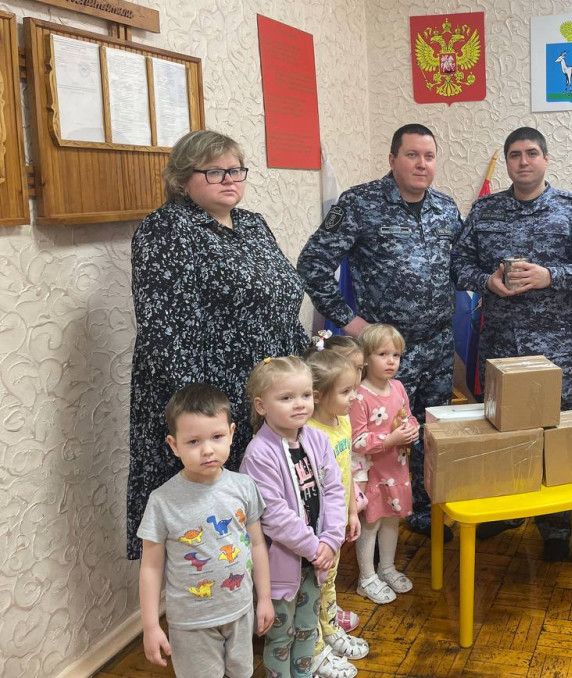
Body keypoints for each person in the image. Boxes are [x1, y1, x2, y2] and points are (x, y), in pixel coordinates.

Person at [127, 129, 309, 560]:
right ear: (181, 179)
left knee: (267, 509)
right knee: (211, 530)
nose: (229, 179)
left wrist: (308, 370)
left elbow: (283, 302)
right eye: (213, 171)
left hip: (267, 397)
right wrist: (205, 414)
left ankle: (271, 594)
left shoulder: (252, 224)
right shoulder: (166, 229)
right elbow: (164, 331)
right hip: (211, 405)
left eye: (235, 170)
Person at [450, 126, 572, 560]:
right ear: (507, 161)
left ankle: (555, 525)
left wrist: (550, 276)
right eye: (515, 154)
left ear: (545, 159)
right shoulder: (485, 211)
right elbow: (458, 264)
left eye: (532, 153)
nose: (524, 161)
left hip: (553, 346)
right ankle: (506, 509)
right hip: (499, 343)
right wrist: (486, 280)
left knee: (552, 429)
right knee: (501, 426)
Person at [298, 124, 461, 538]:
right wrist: (350, 322)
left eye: (429, 156)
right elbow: (312, 264)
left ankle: (426, 509)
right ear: (392, 160)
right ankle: (373, 519)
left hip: (438, 344)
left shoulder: (446, 208)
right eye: (412, 155)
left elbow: (461, 266)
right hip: (384, 353)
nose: (421, 164)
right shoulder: (359, 203)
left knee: (432, 430)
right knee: (381, 433)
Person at [137, 384, 273, 678]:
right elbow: (150, 566)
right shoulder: (162, 502)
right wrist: (150, 626)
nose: (208, 449)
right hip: (191, 623)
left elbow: (257, 544)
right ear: (174, 445)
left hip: (240, 611)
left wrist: (264, 598)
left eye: (217, 437)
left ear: (232, 433)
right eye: (194, 441)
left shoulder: (244, 487)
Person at [239, 357, 349, 678]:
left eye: (305, 395)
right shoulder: (259, 454)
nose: (299, 404)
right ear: (261, 406)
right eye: (286, 397)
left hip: (315, 562)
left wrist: (331, 539)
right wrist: (314, 548)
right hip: (281, 567)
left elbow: (335, 491)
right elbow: (274, 516)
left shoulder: (316, 439)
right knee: (281, 636)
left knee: (307, 629)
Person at [303, 340, 369, 668]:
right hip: (318, 530)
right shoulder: (308, 434)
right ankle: (314, 649)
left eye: (354, 389)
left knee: (329, 581)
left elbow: (348, 472)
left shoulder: (342, 421)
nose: (354, 398)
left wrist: (352, 512)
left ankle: (329, 630)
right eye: (346, 392)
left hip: (338, 523)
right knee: (313, 588)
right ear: (318, 395)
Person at [349, 324, 418, 604]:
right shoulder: (359, 395)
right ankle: (366, 578)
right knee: (371, 522)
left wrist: (412, 429)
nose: (391, 361)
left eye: (396, 355)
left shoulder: (398, 387)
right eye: (383, 354)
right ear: (365, 357)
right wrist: (390, 439)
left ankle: (386, 567)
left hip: (396, 468)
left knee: (392, 519)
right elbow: (356, 440)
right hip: (372, 473)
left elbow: (407, 416)